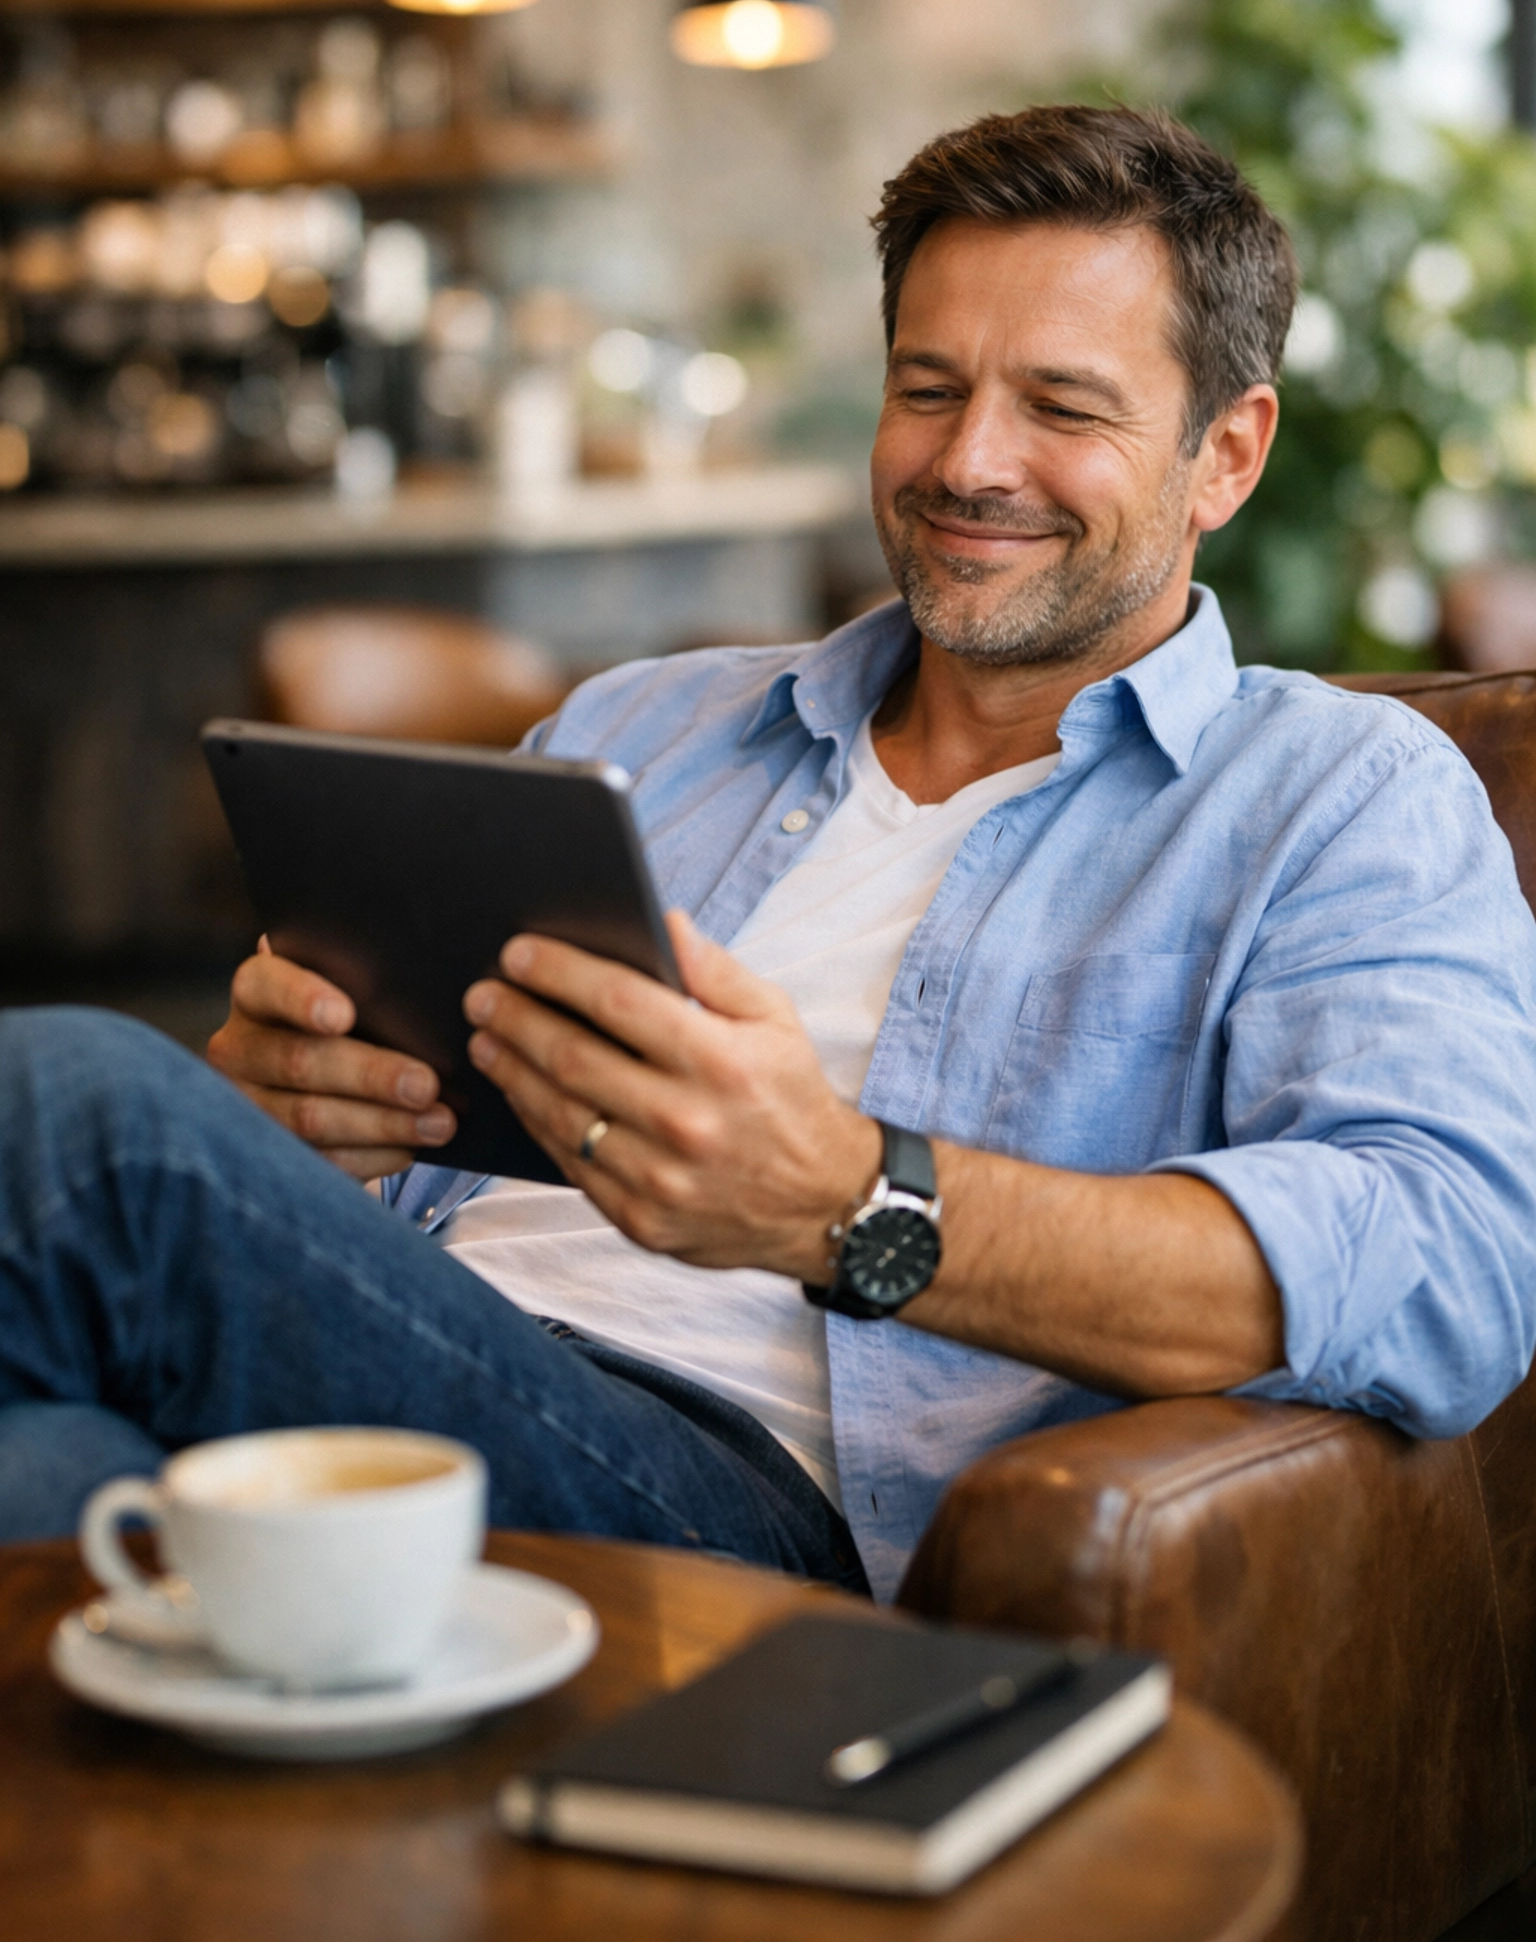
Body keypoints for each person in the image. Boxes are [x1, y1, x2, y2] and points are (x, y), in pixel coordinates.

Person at [3, 104, 1535, 1603]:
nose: (970, 463)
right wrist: (299, 1121)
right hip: (409, 1369)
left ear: (1228, 454)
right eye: (928, 389)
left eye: (1063, 410)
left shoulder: (1332, 794)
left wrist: (853, 1204)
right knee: (43, 1487)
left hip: (730, 1510)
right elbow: (366, 1207)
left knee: (76, 1106)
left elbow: (1450, 1266)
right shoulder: (649, 722)